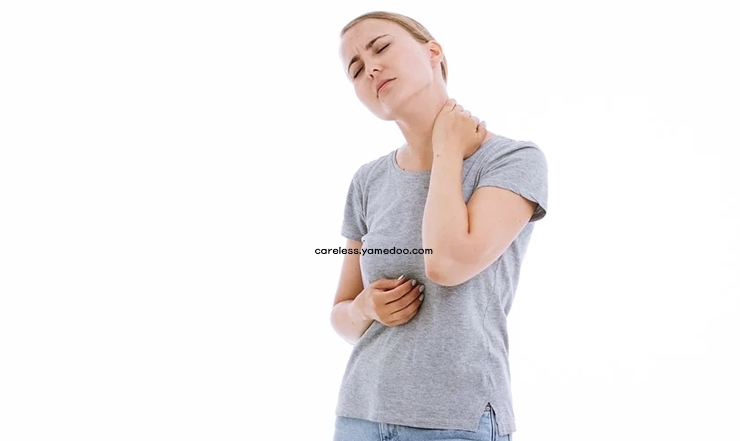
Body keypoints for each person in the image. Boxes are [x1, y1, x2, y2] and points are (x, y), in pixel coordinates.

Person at [330, 10, 548, 441]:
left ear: (433, 52)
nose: (370, 68)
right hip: (360, 414)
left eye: (381, 48)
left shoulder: (511, 160)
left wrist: (447, 151)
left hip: (456, 419)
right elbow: (341, 314)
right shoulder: (368, 181)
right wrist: (364, 309)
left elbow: (446, 263)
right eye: (355, 69)